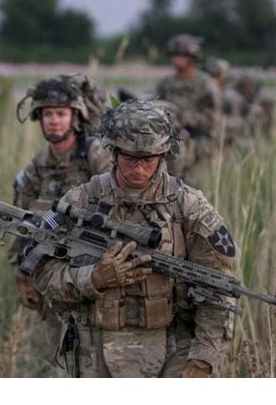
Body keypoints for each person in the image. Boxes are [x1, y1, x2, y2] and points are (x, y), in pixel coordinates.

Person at [31, 99, 239, 378]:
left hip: (172, 345)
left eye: (148, 160)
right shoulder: (80, 200)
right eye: (130, 158)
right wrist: (93, 278)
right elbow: (43, 273)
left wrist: (203, 359)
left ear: (163, 155)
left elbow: (218, 288)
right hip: (91, 347)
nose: (138, 169)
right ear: (114, 152)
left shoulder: (188, 205)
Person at [9, 74, 111, 375]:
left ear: (76, 117)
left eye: (61, 114)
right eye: (48, 114)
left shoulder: (95, 155)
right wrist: (22, 271)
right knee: (65, 361)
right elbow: (22, 221)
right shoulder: (38, 165)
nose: (54, 121)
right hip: (54, 280)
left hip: (95, 275)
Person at [154, 34, 221, 183]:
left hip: (200, 143)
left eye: (181, 55)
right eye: (174, 55)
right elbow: (154, 102)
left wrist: (185, 118)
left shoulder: (206, 83)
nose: (176, 59)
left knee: (198, 187)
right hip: (173, 141)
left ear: (192, 57)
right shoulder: (166, 83)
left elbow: (213, 119)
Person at [202, 57, 247, 148]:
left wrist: (216, 121)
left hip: (224, 141)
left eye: (215, 75)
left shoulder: (231, 97)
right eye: (209, 74)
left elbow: (238, 122)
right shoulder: (202, 94)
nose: (211, 78)